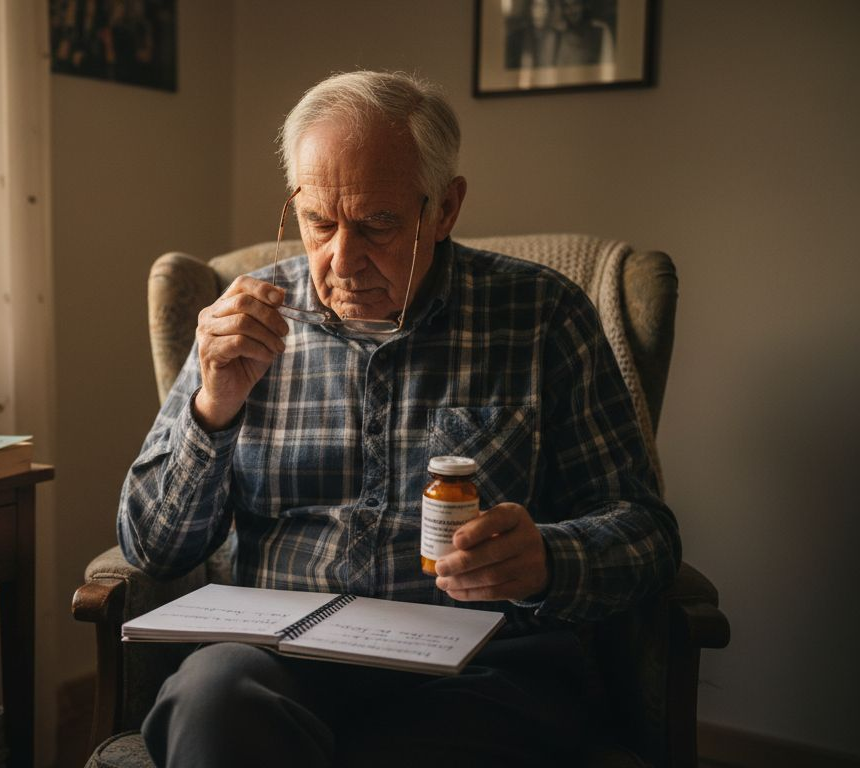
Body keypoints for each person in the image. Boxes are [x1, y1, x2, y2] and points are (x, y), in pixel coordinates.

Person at [117, 70, 679, 767]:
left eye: (377, 224)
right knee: (212, 693)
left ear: (445, 209)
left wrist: (549, 561)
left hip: (480, 672)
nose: (342, 260)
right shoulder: (246, 318)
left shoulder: (540, 316)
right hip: (280, 662)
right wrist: (214, 407)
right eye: (319, 223)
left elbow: (645, 530)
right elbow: (151, 546)